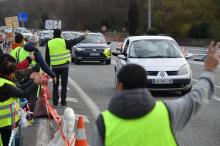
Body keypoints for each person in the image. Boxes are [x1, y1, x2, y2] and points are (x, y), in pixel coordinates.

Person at [92, 42, 220, 146]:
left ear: (120, 86)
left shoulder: (104, 123)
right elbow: (197, 96)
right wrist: (209, 70)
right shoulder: (166, 112)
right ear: (144, 84)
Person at [0, 54, 44, 146]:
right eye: (14, 72)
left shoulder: (5, 81)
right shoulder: (5, 85)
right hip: (4, 123)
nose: (15, 74)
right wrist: (35, 83)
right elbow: (22, 93)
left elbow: (20, 88)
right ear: (11, 73)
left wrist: (32, 80)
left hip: (7, 122)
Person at [45, 29, 88, 107]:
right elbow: (75, 41)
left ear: (53, 34)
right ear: (60, 34)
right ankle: (63, 102)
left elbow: (47, 58)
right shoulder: (64, 42)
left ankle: (55, 102)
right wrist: (83, 37)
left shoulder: (49, 43)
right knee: (64, 85)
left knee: (55, 85)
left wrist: (47, 71)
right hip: (64, 67)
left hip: (54, 68)